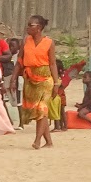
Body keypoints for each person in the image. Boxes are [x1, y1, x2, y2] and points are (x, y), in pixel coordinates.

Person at [19, 15, 60, 149]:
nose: (28, 27)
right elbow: (20, 61)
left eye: (31, 25)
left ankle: (37, 140)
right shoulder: (25, 41)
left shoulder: (49, 42)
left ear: (39, 28)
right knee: (39, 111)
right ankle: (49, 142)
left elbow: (53, 63)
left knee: (42, 108)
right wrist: (13, 79)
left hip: (46, 79)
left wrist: (56, 83)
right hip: (30, 79)